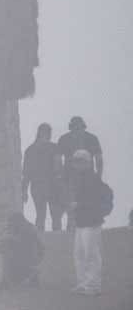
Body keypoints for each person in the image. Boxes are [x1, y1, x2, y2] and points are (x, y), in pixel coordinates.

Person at [69, 149, 113, 296]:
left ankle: (93, 285)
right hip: (81, 222)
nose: (77, 164)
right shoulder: (80, 179)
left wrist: (78, 205)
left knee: (91, 254)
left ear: (88, 163)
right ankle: (83, 283)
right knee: (80, 254)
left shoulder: (93, 179)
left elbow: (93, 200)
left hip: (91, 222)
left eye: (80, 161)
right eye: (76, 161)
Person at [58, 116, 103, 231]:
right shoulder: (91, 138)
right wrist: (98, 175)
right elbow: (99, 159)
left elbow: (57, 160)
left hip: (72, 177)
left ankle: (73, 228)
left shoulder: (65, 138)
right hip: (82, 177)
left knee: (73, 202)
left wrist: (59, 175)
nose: (77, 130)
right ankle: (84, 226)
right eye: (76, 128)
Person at [22, 123, 65, 231]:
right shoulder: (54, 147)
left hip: (39, 186)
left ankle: (40, 242)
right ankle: (56, 241)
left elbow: (26, 173)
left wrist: (24, 190)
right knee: (54, 216)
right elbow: (59, 167)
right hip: (51, 186)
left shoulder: (30, 150)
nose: (50, 135)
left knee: (41, 215)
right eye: (49, 132)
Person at [0, 212, 44, 290]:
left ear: (18, 221)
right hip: (20, 259)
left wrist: (9, 239)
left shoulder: (29, 229)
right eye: (9, 222)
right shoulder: (12, 229)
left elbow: (32, 248)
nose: (9, 224)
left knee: (7, 249)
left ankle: (32, 273)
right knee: (5, 249)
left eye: (11, 222)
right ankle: (11, 278)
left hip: (28, 259)